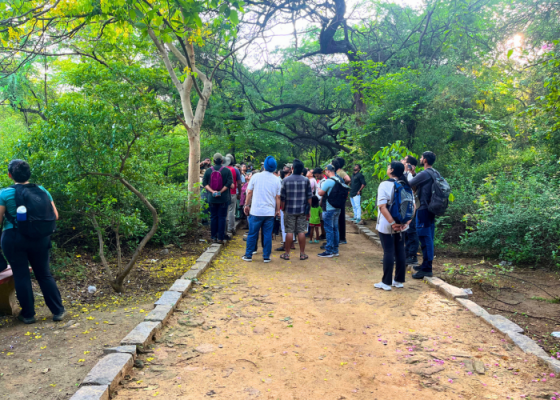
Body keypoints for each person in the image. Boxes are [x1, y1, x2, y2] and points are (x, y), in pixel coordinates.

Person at [0, 159, 65, 324]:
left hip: (14, 238)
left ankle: (28, 315)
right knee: (44, 274)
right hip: (40, 238)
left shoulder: (4, 193)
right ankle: (58, 311)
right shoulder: (41, 190)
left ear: (10, 175)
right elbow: (55, 215)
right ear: (29, 174)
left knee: (21, 275)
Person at [374, 161, 410, 291]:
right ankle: (398, 280)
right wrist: (406, 223)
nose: (387, 169)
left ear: (392, 170)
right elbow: (413, 206)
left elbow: (382, 207)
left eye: (388, 167)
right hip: (402, 223)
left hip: (387, 224)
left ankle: (386, 282)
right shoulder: (405, 184)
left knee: (388, 251)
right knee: (400, 250)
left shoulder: (385, 184)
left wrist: (393, 223)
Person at [242, 157, 281, 263]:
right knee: (267, 234)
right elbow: (278, 197)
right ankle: (266, 256)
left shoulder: (256, 177)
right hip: (269, 212)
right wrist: (277, 210)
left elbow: (249, 192)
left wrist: (246, 205)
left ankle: (248, 255)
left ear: (264, 166)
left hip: (256, 211)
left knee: (252, 233)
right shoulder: (276, 180)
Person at [409, 151, 438, 279]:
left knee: (425, 237)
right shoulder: (435, 172)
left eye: (421, 157)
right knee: (429, 236)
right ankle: (425, 264)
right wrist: (413, 173)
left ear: (425, 160)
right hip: (431, 209)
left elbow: (409, 183)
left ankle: (427, 268)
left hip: (423, 209)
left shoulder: (424, 173)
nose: (420, 159)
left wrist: (407, 171)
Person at [280, 159, 312, 261]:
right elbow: (309, 197)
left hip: (289, 210)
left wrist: (283, 209)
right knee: (301, 231)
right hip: (302, 210)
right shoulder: (306, 180)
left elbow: (283, 198)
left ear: (292, 168)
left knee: (289, 231)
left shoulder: (285, 180)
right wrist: (309, 209)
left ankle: (287, 254)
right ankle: (302, 254)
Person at [317, 164, 349, 257]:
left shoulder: (328, 181)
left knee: (329, 229)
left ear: (327, 171)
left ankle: (329, 250)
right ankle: (335, 249)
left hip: (329, 208)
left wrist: (319, 189)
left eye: (325, 171)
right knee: (335, 229)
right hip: (338, 208)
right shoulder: (339, 180)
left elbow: (321, 193)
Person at [202, 153, 233, 244]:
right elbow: (229, 184)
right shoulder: (227, 171)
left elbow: (204, 184)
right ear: (222, 161)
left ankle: (213, 237)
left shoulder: (208, 171)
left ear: (214, 161)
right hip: (223, 198)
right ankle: (220, 238)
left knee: (213, 217)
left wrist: (212, 192)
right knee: (222, 217)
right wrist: (220, 192)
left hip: (212, 198)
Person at [401, 155, 419, 266]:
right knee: (406, 232)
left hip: (412, 207)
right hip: (405, 206)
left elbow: (414, 188)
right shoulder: (405, 174)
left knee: (412, 231)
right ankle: (407, 254)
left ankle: (412, 256)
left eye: (404, 160)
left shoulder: (412, 176)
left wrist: (412, 172)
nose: (402, 160)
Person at [334, 157, 350, 245]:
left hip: (340, 197)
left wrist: (342, 186)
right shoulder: (337, 172)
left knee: (340, 217)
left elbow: (348, 179)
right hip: (338, 197)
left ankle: (342, 238)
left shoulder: (340, 172)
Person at [224, 154, 242, 236]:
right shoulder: (236, 170)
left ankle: (224, 228)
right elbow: (239, 183)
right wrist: (240, 193)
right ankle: (231, 228)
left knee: (224, 211)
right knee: (232, 210)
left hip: (223, 193)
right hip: (233, 192)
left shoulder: (222, 169)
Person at [313, 167, 327, 240]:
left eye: (317, 175)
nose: (316, 177)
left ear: (321, 173)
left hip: (321, 202)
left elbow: (323, 194)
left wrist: (320, 203)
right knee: (320, 219)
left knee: (322, 219)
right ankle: (322, 233)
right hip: (317, 201)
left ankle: (323, 234)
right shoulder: (319, 181)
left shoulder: (324, 182)